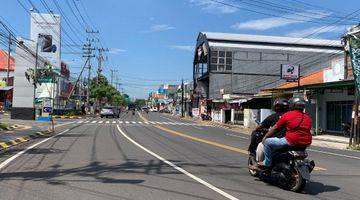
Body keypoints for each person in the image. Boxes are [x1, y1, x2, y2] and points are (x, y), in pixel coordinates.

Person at [256, 97, 312, 168]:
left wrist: (265, 137)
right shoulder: (307, 117)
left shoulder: (287, 115)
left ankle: (267, 163)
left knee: (267, 142)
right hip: (306, 143)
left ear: (291, 105)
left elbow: (275, 128)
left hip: (291, 141)